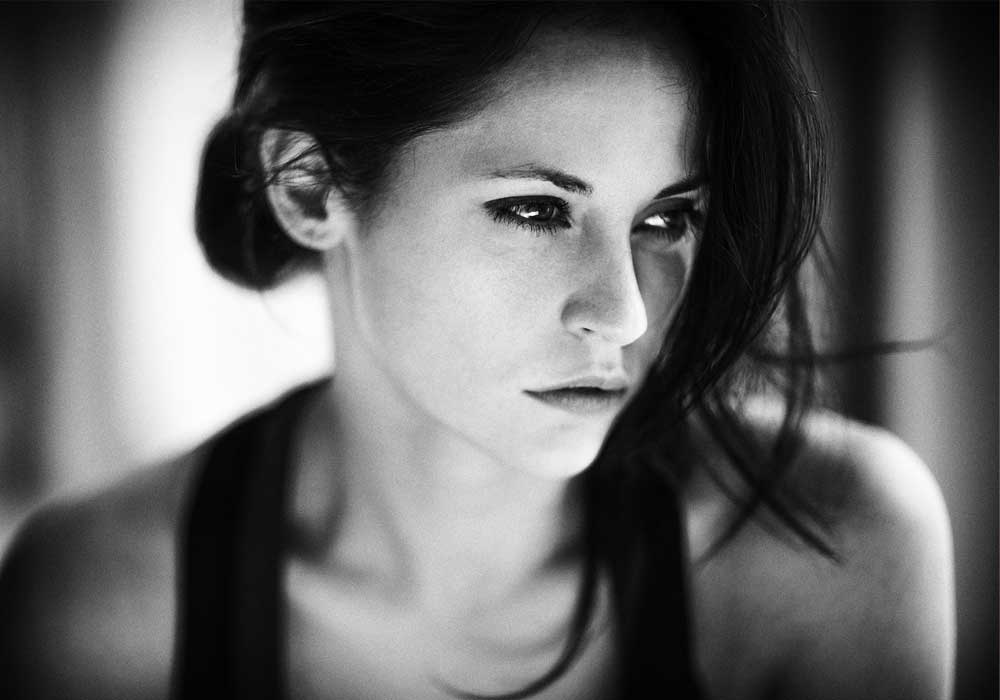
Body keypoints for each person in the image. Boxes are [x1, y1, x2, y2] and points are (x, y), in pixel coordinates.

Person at [0, 3, 955, 699]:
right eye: (535, 210)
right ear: (307, 185)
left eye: (666, 219)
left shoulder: (829, 549)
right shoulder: (102, 601)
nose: (625, 314)